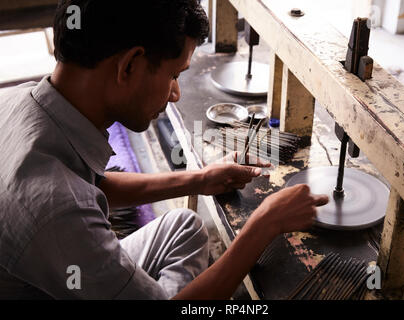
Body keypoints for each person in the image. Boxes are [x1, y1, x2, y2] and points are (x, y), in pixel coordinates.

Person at [0, 0, 328, 299]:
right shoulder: (58, 212)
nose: (175, 94)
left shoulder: (19, 101)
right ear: (129, 65)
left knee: (183, 227)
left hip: (52, 263)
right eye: (174, 74)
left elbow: (93, 186)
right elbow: (66, 204)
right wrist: (265, 224)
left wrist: (199, 179)